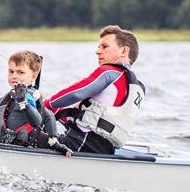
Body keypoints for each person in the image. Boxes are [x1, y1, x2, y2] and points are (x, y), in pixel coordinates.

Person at [44, 25, 146, 155]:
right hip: (103, 148)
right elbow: (90, 119)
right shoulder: (136, 86)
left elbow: (76, 93)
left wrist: (45, 105)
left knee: (24, 137)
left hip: (80, 143)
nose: (97, 51)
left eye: (104, 46)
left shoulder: (109, 72)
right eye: (99, 47)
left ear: (123, 51)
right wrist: (53, 112)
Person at [0, 50, 66, 153]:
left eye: (20, 72)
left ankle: (55, 143)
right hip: (5, 140)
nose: (14, 76)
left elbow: (37, 121)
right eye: (11, 71)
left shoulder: (28, 96)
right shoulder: (13, 94)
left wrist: (23, 102)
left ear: (33, 76)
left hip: (22, 144)